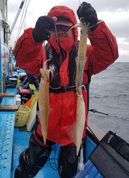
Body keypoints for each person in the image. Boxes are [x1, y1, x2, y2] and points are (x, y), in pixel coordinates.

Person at [13, 1, 119, 178]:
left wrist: (95, 27)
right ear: (50, 31)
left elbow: (109, 54)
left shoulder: (85, 54)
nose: (61, 31)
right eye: (56, 28)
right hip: (45, 127)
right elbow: (22, 58)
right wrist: (34, 38)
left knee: (69, 172)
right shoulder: (42, 55)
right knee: (27, 166)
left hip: (73, 132)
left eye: (65, 27)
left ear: (74, 30)